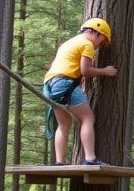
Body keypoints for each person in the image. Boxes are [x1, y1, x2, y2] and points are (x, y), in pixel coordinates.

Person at [43, 17, 118, 165]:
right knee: (88, 118)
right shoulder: (86, 43)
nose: (100, 46)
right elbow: (86, 70)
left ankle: (59, 162)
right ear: (94, 32)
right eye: (102, 41)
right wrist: (105, 71)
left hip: (50, 84)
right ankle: (90, 158)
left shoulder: (69, 43)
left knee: (64, 123)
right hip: (64, 83)